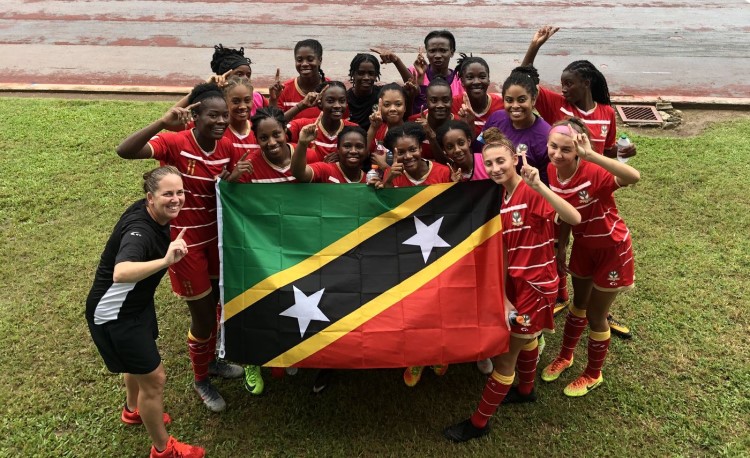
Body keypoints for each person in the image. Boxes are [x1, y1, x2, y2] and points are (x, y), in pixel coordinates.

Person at [442, 129, 581, 443]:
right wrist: (504, 298)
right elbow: (504, 251)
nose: (494, 168)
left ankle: (478, 423)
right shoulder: (500, 196)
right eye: (489, 163)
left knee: (506, 359)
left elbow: (572, 217)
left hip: (535, 288)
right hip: (514, 286)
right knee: (527, 339)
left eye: (501, 161)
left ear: (515, 160)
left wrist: (540, 186)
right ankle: (526, 390)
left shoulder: (531, 192)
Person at [116, 82, 244, 413]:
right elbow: (125, 150)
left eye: (224, 116)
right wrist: (160, 122)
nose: (220, 122)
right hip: (186, 250)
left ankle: (213, 363)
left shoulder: (227, 146)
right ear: (194, 116)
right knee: (202, 319)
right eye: (213, 115)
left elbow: (229, 190)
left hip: (217, 244)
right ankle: (201, 378)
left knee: (218, 307)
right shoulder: (175, 142)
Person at [523, 26, 635, 337]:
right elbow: (525, 80)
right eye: (562, 85)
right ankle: (562, 297)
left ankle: (599, 308)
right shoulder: (557, 106)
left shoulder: (607, 113)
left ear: (586, 83)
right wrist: (535, 46)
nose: (564, 89)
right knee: (561, 241)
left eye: (569, 84)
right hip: (561, 185)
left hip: (592, 188)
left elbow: (611, 153)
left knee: (592, 241)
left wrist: (624, 157)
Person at [86, 166, 204, 458]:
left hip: (135, 305)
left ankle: (133, 410)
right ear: (150, 198)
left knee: (136, 366)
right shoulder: (139, 231)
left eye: (179, 192)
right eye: (167, 194)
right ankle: (164, 450)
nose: (175, 199)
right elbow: (121, 272)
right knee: (155, 379)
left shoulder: (154, 213)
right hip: (116, 314)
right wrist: (165, 260)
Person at [541, 119, 640, 397]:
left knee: (596, 315)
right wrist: (562, 247)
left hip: (612, 249)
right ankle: (565, 356)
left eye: (566, 149)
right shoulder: (552, 169)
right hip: (583, 248)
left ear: (578, 150)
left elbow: (634, 177)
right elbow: (565, 212)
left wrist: (593, 155)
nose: (558, 154)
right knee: (577, 304)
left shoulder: (594, 171)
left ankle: (593, 374)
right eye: (553, 147)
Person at [483, 65, 551, 185]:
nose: (515, 106)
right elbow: (480, 149)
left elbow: (546, 184)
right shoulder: (495, 119)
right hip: (494, 191)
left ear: (533, 99)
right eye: (509, 100)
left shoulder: (546, 136)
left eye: (521, 100)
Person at [287, 81, 360, 163]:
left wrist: (344, 162)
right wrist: (301, 106)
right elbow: (276, 126)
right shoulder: (303, 126)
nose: (337, 105)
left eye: (342, 101)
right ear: (320, 103)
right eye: (330, 101)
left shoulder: (353, 130)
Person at [378, 122, 453, 190]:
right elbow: (390, 203)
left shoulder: (444, 172)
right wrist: (388, 182)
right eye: (400, 152)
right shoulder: (391, 173)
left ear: (420, 148)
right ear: (393, 154)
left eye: (412, 150)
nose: (408, 156)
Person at [271, 39, 329, 122]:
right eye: (299, 60)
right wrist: (273, 100)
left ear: (320, 60)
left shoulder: (330, 88)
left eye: (310, 59)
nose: (304, 64)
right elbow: (275, 124)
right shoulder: (284, 90)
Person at [410, 30, 464, 114]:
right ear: (427, 53)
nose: (438, 55)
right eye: (432, 51)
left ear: (452, 52)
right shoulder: (415, 72)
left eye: (443, 50)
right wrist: (396, 61)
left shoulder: (460, 79)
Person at [451, 55, 503, 142]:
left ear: (488, 80)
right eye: (470, 77)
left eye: (482, 77)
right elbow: (424, 117)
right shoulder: (452, 104)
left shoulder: (502, 105)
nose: (476, 82)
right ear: (462, 81)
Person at [408, 77, 454, 162]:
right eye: (433, 100)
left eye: (445, 100)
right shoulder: (414, 122)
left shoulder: (458, 124)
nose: (440, 105)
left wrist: (431, 137)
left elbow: (452, 165)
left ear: (452, 101)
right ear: (426, 101)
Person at [368, 83, 409, 169]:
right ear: (380, 107)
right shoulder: (378, 129)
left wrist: (384, 167)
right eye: (387, 105)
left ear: (405, 107)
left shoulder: (410, 133)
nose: (392, 109)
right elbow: (363, 154)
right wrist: (373, 128)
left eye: (398, 104)